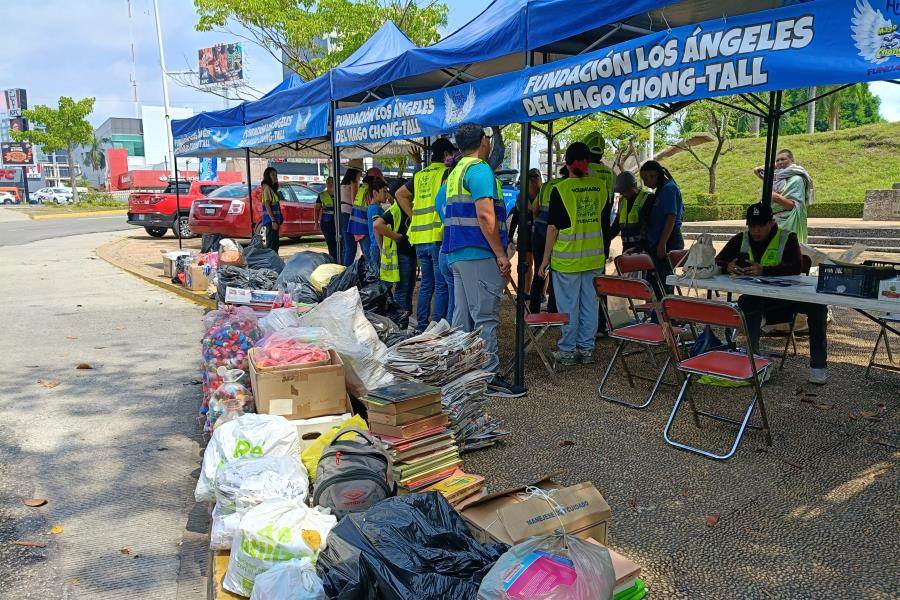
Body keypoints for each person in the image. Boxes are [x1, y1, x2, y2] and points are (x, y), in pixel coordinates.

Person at [444, 122, 524, 398]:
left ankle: (459, 375)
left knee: (462, 318)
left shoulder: (455, 172)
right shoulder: (479, 169)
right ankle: (488, 377)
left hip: (456, 253)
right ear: (483, 141)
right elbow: (486, 216)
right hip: (478, 253)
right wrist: (501, 253)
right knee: (485, 318)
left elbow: (442, 206)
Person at [716, 202, 828, 385]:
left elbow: (796, 266)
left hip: (787, 299)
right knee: (749, 305)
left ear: (771, 223)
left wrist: (764, 270)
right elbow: (718, 260)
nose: (756, 231)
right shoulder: (741, 238)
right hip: (755, 298)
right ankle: (754, 362)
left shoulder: (787, 238)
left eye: (761, 226)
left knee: (818, 307)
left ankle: (818, 367)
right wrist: (727, 266)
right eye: (752, 226)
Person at [538, 141, 611, 366]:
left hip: (567, 260)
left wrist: (544, 260)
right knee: (590, 304)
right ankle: (586, 349)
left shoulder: (561, 189)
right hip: (594, 258)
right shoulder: (601, 187)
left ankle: (568, 350)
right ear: (588, 162)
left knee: (568, 306)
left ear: (567, 164)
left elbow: (553, 228)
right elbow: (604, 221)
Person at [396, 137, 457, 330]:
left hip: (419, 238)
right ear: (446, 155)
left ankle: (422, 326)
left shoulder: (420, 175)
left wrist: (414, 216)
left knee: (425, 285)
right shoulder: (445, 173)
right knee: (441, 286)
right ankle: (437, 327)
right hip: (437, 237)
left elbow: (399, 194)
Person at [639, 160, 684, 298]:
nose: (645, 183)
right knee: (655, 282)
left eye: (646, 178)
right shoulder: (662, 190)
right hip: (657, 240)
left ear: (654, 175)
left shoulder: (669, 188)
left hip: (667, 241)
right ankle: (657, 314)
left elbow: (671, 217)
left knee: (663, 284)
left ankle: (665, 316)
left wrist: (662, 244)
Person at [754, 149, 813, 243]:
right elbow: (757, 170)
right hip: (771, 220)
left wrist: (775, 197)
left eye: (783, 159)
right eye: (777, 160)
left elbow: (793, 205)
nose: (780, 162)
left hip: (787, 222)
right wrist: (775, 165)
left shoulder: (797, 179)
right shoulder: (775, 177)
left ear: (792, 160)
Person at [530, 165, 566, 313]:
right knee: (555, 273)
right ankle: (552, 310)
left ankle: (534, 310)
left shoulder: (547, 185)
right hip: (553, 235)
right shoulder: (566, 187)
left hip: (539, 231)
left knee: (540, 270)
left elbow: (534, 208)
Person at [374, 197, 416, 318]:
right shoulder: (396, 209)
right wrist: (396, 237)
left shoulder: (408, 206)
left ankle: (405, 318)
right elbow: (376, 225)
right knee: (403, 289)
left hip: (410, 253)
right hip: (403, 253)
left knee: (409, 288)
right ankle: (400, 319)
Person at [508, 168, 542, 302]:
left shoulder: (543, 194)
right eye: (531, 177)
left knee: (541, 266)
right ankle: (526, 291)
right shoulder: (521, 197)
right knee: (526, 264)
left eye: (536, 176)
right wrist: (511, 235)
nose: (533, 179)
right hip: (526, 234)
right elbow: (515, 217)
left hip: (539, 234)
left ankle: (540, 293)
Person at [346, 167, 384, 267]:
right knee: (371, 259)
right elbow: (373, 210)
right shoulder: (369, 190)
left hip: (358, 227)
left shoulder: (363, 188)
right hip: (362, 227)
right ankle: (370, 279)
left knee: (368, 257)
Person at [610, 171, 652, 255]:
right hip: (627, 249)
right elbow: (616, 226)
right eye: (620, 191)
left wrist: (641, 248)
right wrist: (606, 238)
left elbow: (650, 228)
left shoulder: (647, 199)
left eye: (624, 190)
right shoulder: (621, 201)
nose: (622, 193)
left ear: (633, 186)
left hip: (644, 250)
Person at [583, 131, 615, 206]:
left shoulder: (583, 169)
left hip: (589, 209)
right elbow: (613, 194)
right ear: (602, 154)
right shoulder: (611, 172)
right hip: (606, 209)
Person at [339, 165, 362, 266]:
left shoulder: (342, 185)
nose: (360, 177)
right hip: (349, 215)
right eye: (359, 175)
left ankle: (343, 269)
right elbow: (355, 202)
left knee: (346, 246)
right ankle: (347, 271)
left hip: (342, 214)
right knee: (351, 247)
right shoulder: (353, 183)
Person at [365, 179, 388, 269]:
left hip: (375, 246)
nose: (386, 195)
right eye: (384, 192)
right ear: (375, 193)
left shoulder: (375, 208)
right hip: (377, 246)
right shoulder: (375, 209)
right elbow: (376, 228)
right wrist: (381, 248)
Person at [259, 166, 283, 252]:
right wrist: (273, 221)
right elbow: (267, 205)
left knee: (275, 244)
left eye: (276, 175)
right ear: (268, 176)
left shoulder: (271, 188)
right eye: (273, 175)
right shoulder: (267, 188)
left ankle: (275, 263)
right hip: (270, 222)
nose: (275, 177)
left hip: (274, 221)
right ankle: (273, 264)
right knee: (272, 246)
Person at [316, 176, 337, 261]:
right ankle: (333, 260)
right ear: (326, 184)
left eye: (332, 182)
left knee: (340, 243)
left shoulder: (339, 194)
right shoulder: (322, 195)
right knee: (331, 243)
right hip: (327, 222)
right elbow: (316, 209)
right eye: (328, 182)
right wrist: (316, 222)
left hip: (338, 222)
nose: (330, 184)